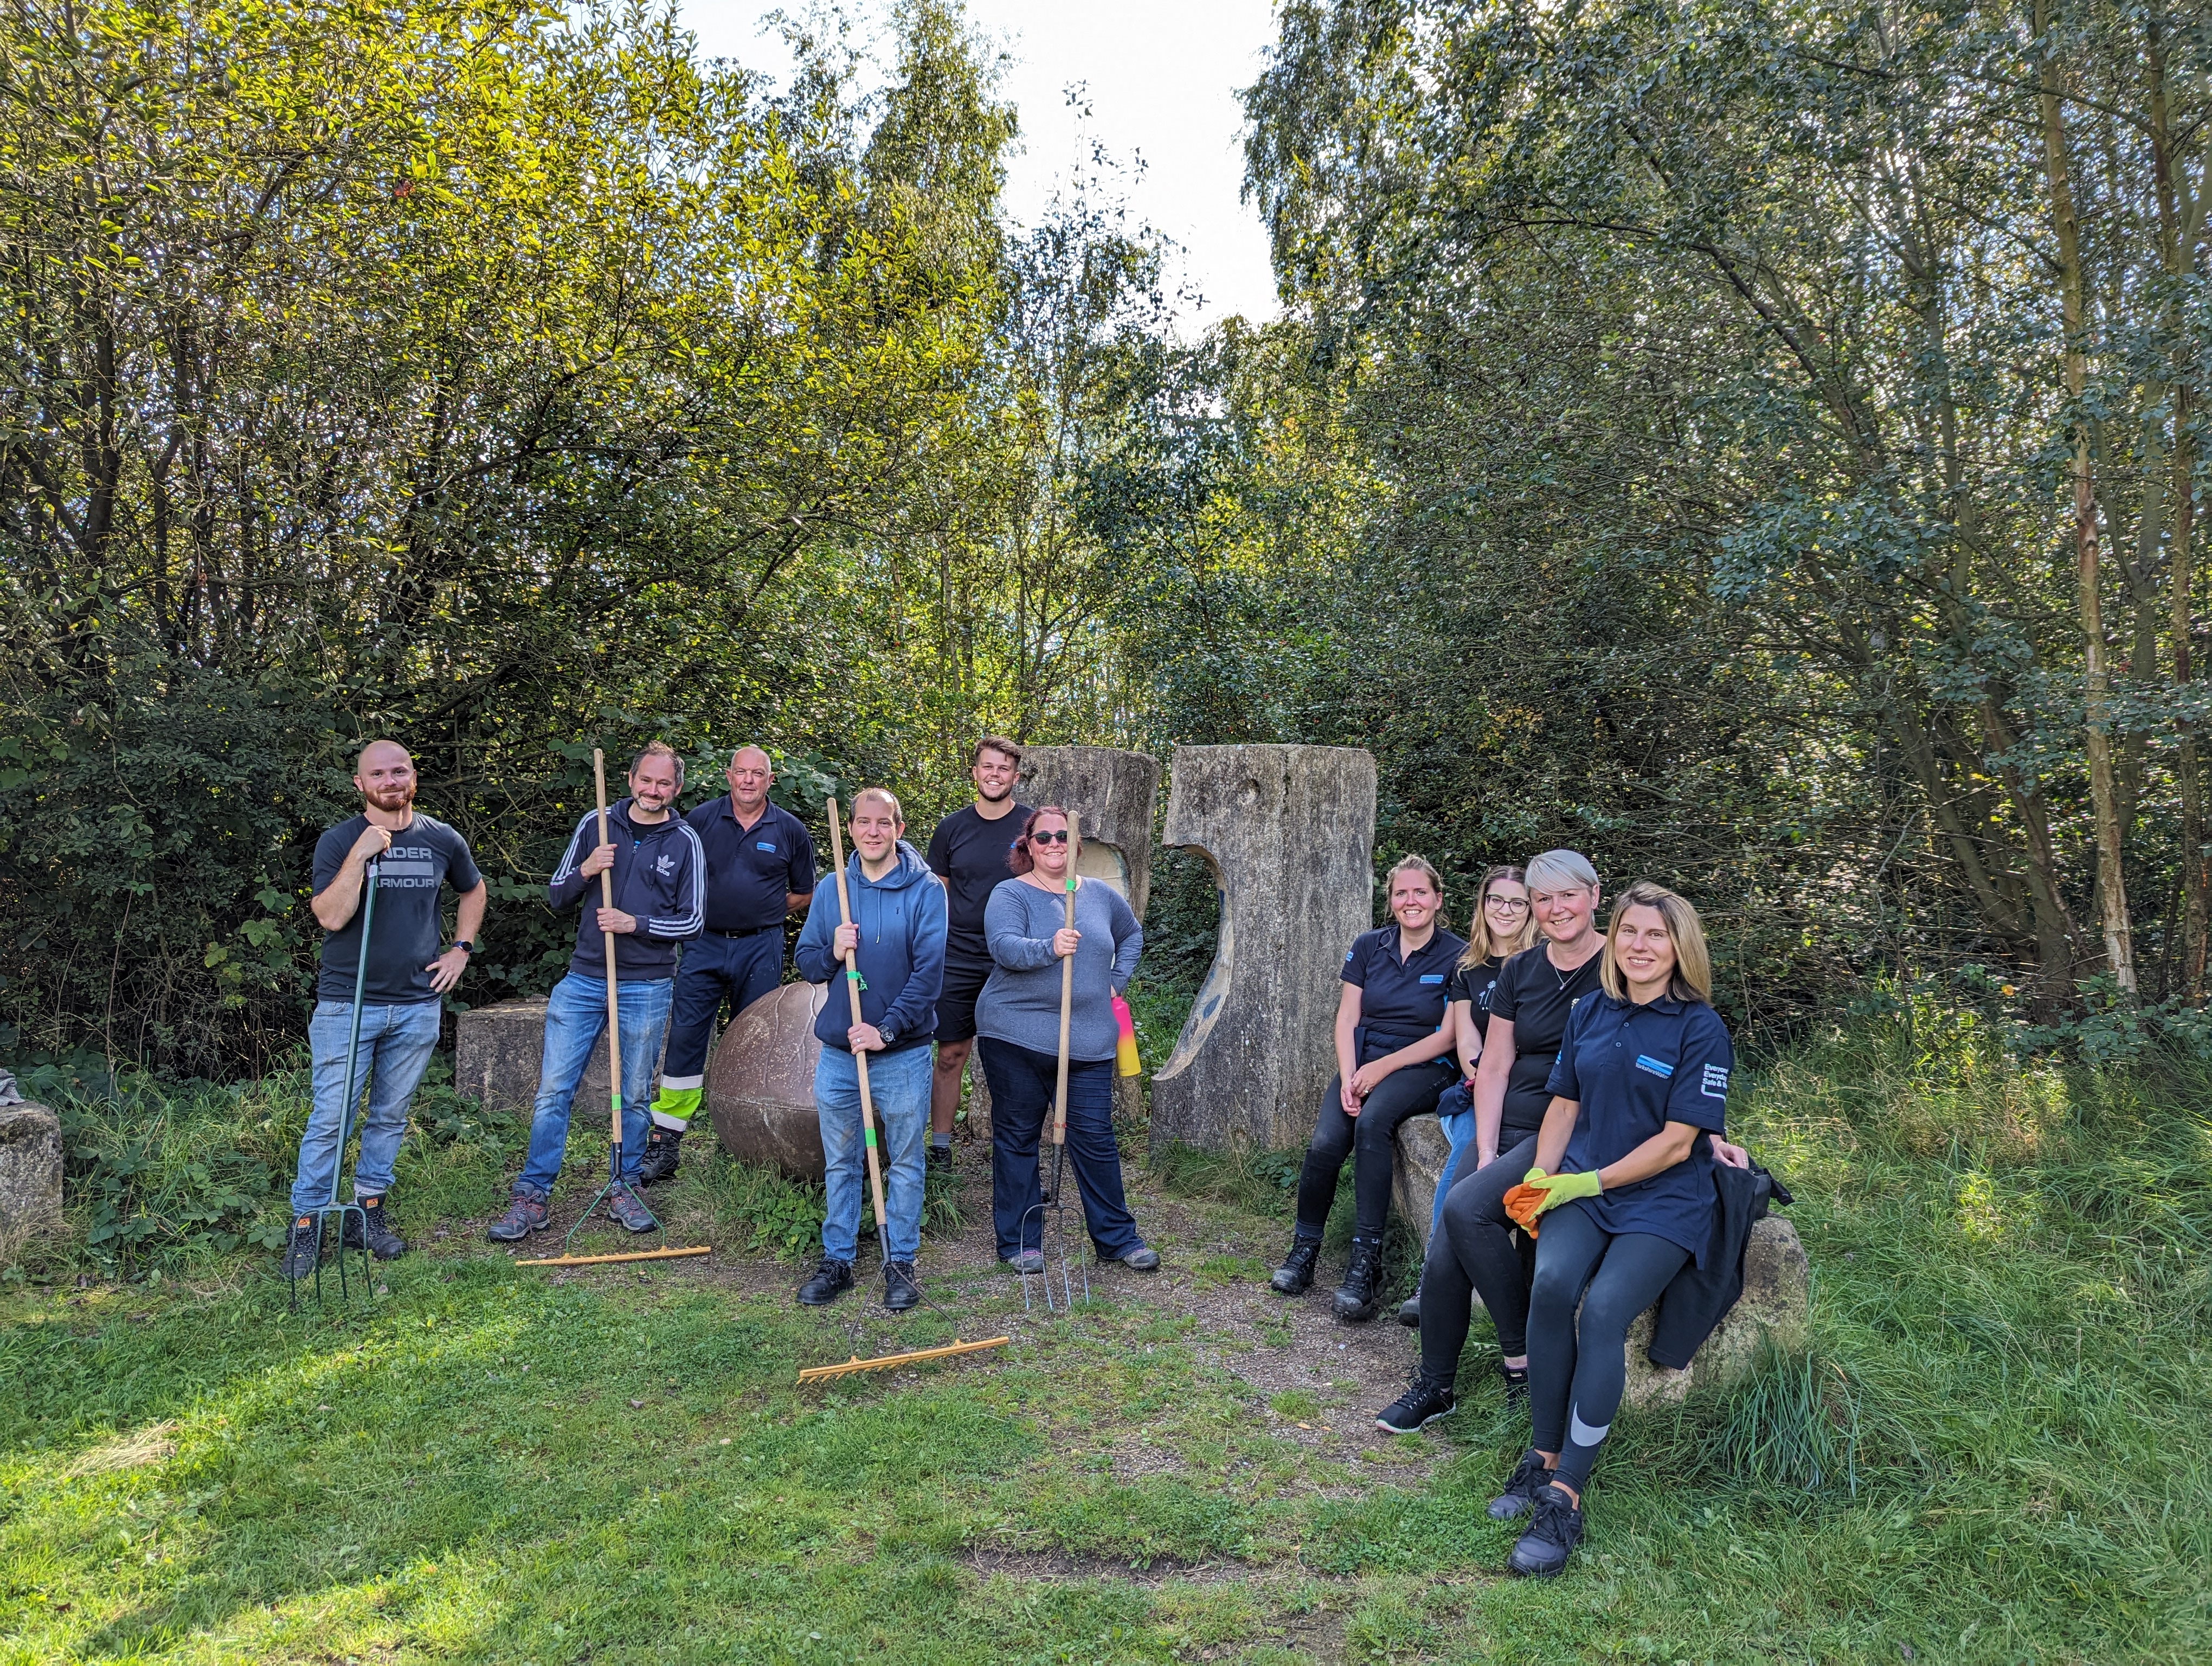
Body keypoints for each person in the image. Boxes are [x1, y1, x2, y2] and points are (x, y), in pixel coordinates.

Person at [1486, 882, 1734, 1578]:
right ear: (1614, 938)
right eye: (1629, 933)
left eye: (1656, 936)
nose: (1640, 947)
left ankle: (1567, 1497)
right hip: (1581, 1184)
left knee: (1602, 1313)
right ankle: (1543, 1457)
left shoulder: (1700, 1028)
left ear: (1679, 947)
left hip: (1662, 1202)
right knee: (1552, 1286)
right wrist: (1542, 1177)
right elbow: (1563, 1104)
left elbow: (1678, 1144)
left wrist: (1582, 1182)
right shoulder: (1592, 1008)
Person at [1372, 849, 1605, 1421]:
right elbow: (1494, 1066)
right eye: (1543, 899)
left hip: (1572, 1128)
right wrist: (1487, 1146)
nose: (1555, 909)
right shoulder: (1521, 970)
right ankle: (1437, 1387)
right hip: (1511, 1121)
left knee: (1466, 1208)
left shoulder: (1619, 967)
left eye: (1566, 896)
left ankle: (1521, 1361)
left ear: (1595, 897)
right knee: (1450, 1249)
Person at [280, 741, 486, 1277]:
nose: (391, 780)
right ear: (360, 784)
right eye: (379, 774)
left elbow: (474, 890)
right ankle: (308, 1226)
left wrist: (460, 951)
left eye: (400, 771)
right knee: (331, 1119)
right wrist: (361, 855)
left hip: (417, 1006)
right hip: (348, 1006)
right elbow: (329, 915)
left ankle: (367, 1215)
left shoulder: (442, 838)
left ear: (414, 776)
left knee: (390, 1117)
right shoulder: (340, 841)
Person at [487, 745, 703, 1241]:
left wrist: (635, 923)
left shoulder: (684, 840)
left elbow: (694, 921)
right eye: (646, 781)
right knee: (552, 1093)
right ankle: (532, 1196)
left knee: (632, 1097)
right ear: (629, 779)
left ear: (677, 789)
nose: (653, 790)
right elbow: (557, 894)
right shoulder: (597, 825)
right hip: (585, 979)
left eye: (664, 784)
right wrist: (588, 868)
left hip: (647, 984)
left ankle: (623, 1187)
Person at [1270, 856, 1465, 1322]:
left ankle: (1366, 1263)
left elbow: (1449, 1035)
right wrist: (1350, 1073)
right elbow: (1347, 1018)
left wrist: (1379, 1071)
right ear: (1391, 901)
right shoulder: (1368, 946)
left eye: (1421, 892)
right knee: (1323, 1144)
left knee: (1374, 1124)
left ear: (1438, 899)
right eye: (1401, 893)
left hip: (1425, 1062)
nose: (1410, 901)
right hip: (1362, 1059)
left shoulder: (1459, 955)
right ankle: (1305, 1252)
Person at [975, 806, 1158, 1273]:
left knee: (1095, 1137)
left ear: (1076, 845)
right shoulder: (1011, 893)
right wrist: (1049, 948)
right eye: (1043, 837)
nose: (1054, 843)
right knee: (1017, 1137)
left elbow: (1132, 936)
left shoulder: (1098, 896)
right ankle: (1020, 1242)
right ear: (1028, 846)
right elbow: (1003, 946)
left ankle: (1117, 1238)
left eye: (1063, 836)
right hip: (1015, 1033)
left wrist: (1115, 982)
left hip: (1088, 1040)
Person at [790, 788, 948, 1311]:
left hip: (901, 1054)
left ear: (899, 829)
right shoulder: (834, 887)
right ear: (851, 828)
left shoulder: (926, 891)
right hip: (839, 1053)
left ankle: (899, 1262)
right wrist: (834, 949)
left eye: (884, 823)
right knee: (841, 1162)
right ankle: (837, 1260)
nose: (873, 831)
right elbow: (808, 963)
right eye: (864, 822)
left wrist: (887, 1030)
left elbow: (928, 976)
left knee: (903, 1161)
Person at [640, 745, 815, 1184]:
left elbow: (804, 892)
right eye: (742, 773)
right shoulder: (698, 821)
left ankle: (742, 1142)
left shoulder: (790, 830)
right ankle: (666, 1140)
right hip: (702, 944)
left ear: (771, 780)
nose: (750, 780)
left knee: (754, 1046)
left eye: (759, 774)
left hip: (761, 946)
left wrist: (765, 910)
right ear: (728, 776)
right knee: (686, 1038)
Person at [1396, 865, 1535, 1327]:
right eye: (1496, 900)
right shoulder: (1468, 969)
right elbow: (1467, 1040)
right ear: (1482, 905)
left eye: (1518, 902)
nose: (1506, 910)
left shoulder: (1543, 963)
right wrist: (1484, 1076)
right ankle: (1432, 1280)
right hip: (1476, 1087)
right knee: (1471, 1142)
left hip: (1530, 1092)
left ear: (1532, 908)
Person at [925, 736, 1032, 1169]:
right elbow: (938, 896)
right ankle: (940, 1149)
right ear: (974, 772)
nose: (995, 774)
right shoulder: (952, 828)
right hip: (961, 956)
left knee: (1020, 1058)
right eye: (987, 767)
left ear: (1015, 777)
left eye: (1003, 768)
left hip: (1017, 957)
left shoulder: (1031, 828)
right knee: (951, 1054)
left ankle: (1016, 1153)